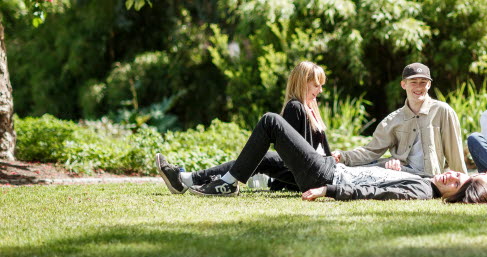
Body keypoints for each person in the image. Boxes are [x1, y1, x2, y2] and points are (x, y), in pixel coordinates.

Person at [163, 109, 470, 200]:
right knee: (268, 161)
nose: (452, 173)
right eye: (456, 172)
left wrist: (328, 190)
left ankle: (228, 181)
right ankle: (186, 179)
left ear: (453, 194)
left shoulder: (420, 190)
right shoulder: (425, 180)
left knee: (271, 122)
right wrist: (389, 165)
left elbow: (373, 193)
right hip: (328, 169)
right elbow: (377, 175)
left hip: (327, 175)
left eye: (456, 180)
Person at [155, 60, 331, 195]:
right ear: (302, 83)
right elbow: (294, 151)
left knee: (265, 158)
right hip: (312, 170)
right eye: (316, 85)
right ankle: (190, 179)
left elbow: (299, 155)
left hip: (313, 172)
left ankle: (188, 178)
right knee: (265, 158)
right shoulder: (297, 107)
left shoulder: (306, 108)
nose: (320, 90)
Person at [332, 63, 466, 177]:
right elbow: (371, 151)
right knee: (360, 170)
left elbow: (455, 151)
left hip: (429, 177)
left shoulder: (442, 111)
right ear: (403, 84)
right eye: (413, 82)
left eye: (423, 82)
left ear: (429, 85)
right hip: (400, 174)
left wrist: (463, 182)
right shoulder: (392, 120)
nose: (418, 87)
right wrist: (343, 156)